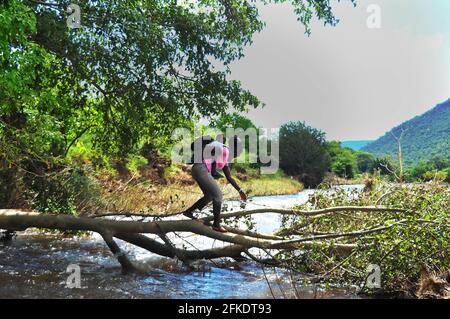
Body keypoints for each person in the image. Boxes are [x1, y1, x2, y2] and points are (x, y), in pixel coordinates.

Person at [182, 135, 247, 232]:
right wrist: (213, 172)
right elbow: (208, 153)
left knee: (209, 196)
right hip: (201, 168)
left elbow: (229, 177)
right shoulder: (225, 150)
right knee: (218, 195)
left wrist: (240, 191)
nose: (241, 151)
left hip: (198, 170)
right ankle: (216, 225)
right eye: (240, 148)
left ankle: (188, 212)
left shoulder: (225, 154)